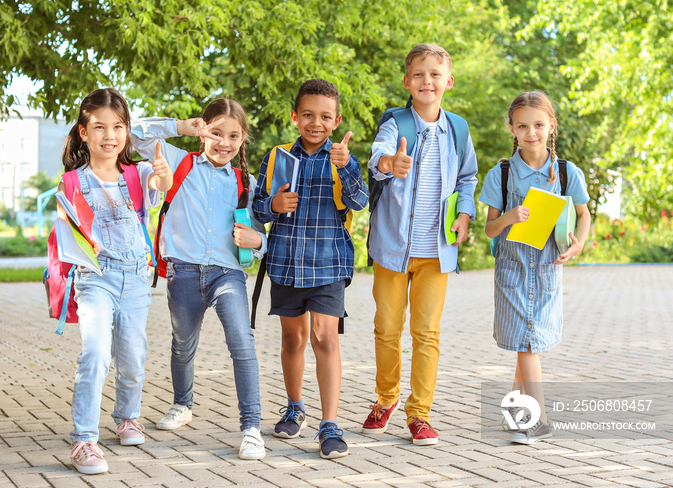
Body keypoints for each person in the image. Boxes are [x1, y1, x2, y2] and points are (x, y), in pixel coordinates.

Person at [130, 98, 268, 460]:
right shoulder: (180, 161)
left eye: (233, 135)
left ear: (243, 139)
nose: (224, 142)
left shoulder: (245, 182)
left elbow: (257, 237)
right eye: (216, 132)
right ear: (202, 130)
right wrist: (179, 126)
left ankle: (251, 427)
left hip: (227, 274)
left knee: (242, 342)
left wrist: (259, 243)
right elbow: (128, 134)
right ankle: (183, 404)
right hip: (184, 272)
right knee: (182, 345)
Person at [363, 44, 478, 445]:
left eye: (435, 74)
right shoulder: (396, 122)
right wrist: (389, 164)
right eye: (418, 74)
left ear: (448, 81)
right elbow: (377, 154)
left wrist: (465, 213)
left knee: (427, 334)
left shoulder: (459, 130)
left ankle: (420, 413)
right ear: (407, 82)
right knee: (387, 330)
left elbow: (468, 178)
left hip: (437, 251)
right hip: (392, 247)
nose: (426, 80)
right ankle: (386, 398)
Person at [252, 79, 369, 459]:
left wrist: (348, 165)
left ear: (335, 121)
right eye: (308, 115)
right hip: (285, 262)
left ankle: (330, 424)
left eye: (324, 116)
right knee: (293, 341)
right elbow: (256, 208)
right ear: (295, 117)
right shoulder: (276, 156)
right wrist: (274, 204)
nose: (315, 123)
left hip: (330, 262)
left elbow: (361, 200)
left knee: (325, 338)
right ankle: (294, 406)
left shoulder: (341, 159)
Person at [61, 88, 173, 474]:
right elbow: (65, 235)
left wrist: (163, 173)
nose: (110, 135)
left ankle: (127, 417)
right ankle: (84, 441)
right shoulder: (71, 182)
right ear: (83, 132)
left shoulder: (139, 173)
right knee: (95, 352)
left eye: (119, 127)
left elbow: (161, 184)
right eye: (100, 127)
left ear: (127, 132)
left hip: (136, 279)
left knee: (133, 359)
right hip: (95, 279)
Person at [479, 90, 591, 444]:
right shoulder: (502, 172)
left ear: (551, 126)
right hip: (512, 270)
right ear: (511, 129)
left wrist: (580, 242)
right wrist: (511, 216)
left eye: (539, 125)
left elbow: (584, 214)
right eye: (523, 126)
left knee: (527, 341)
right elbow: (490, 228)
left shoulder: (565, 171)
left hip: (546, 270)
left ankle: (516, 413)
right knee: (525, 343)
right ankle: (535, 419)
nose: (531, 133)